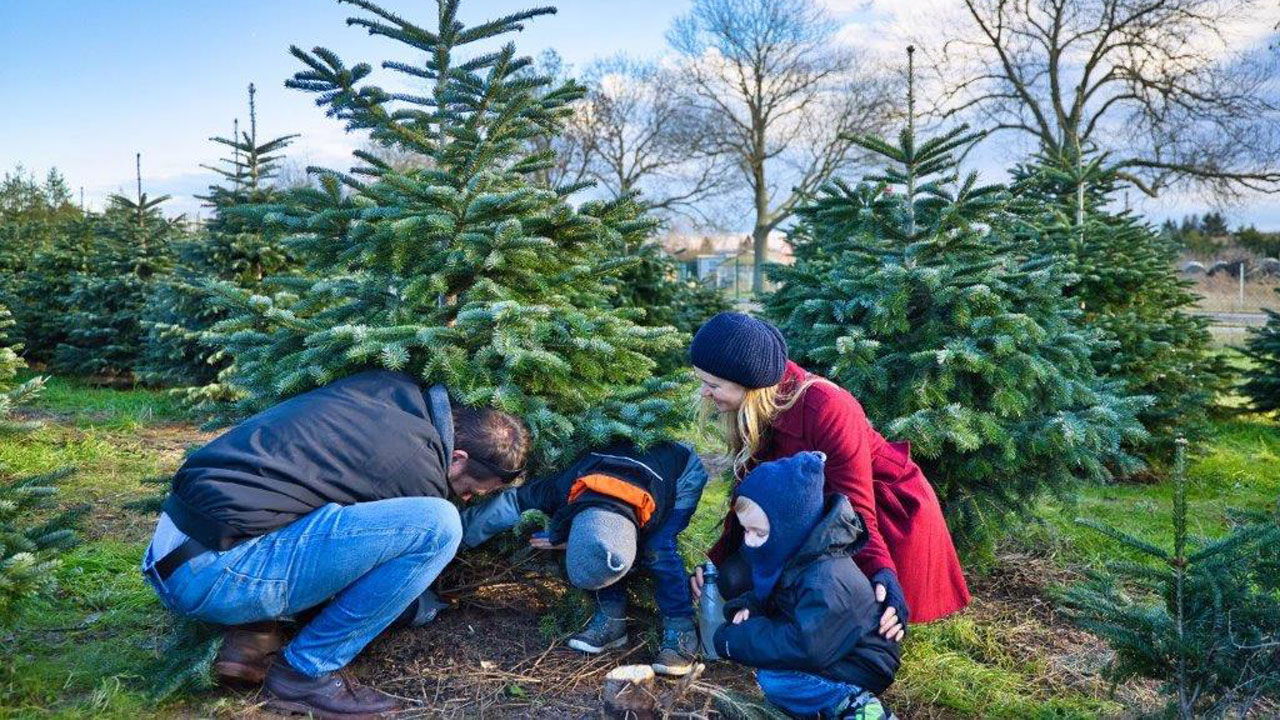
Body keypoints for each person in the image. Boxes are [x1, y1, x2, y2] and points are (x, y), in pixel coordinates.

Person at [140, 369, 530, 719]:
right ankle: (305, 673)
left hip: (171, 551)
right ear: (458, 458)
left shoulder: (389, 389)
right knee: (439, 525)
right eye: (468, 490)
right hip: (215, 577)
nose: (464, 498)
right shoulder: (417, 469)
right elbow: (373, 578)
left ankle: (254, 630)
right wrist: (419, 607)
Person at [688, 312, 970, 640]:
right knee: (732, 582)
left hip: (879, 515)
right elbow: (751, 498)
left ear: (749, 385)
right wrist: (715, 564)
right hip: (814, 516)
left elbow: (854, 510)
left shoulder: (827, 408)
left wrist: (881, 573)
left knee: (843, 621)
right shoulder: (758, 406)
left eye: (713, 385)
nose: (705, 393)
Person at [460, 440, 709, 677]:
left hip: (678, 473)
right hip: (613, 466)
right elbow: (513, 501)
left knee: (658, 549)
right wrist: (456, 538)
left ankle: (681, 629)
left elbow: (622, 533)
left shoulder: (659, 494)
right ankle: (612, 621)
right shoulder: (560, 487)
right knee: (600, 541)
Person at [709, 451, 900, 720]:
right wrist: (749, 606)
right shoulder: (795, 554)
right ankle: (818, 706)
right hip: (830, 648)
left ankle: (855, 705)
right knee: (775, 677)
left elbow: (804, 647)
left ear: (789, 529)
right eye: (746, 530)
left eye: (759, 532)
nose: (749, 541)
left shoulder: (827, 579)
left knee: (776, 679)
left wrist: (735, 640)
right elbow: (776, 595)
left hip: (861, 663)